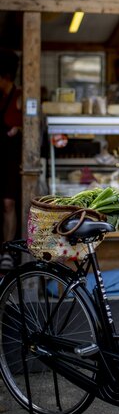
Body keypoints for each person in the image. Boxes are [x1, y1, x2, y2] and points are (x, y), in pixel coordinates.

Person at [0, 49, 22, 270]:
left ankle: (7, 250)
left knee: (8, 204)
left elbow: (35, 124)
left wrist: (22, 126)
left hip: (10, 161)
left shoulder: (19, 97)